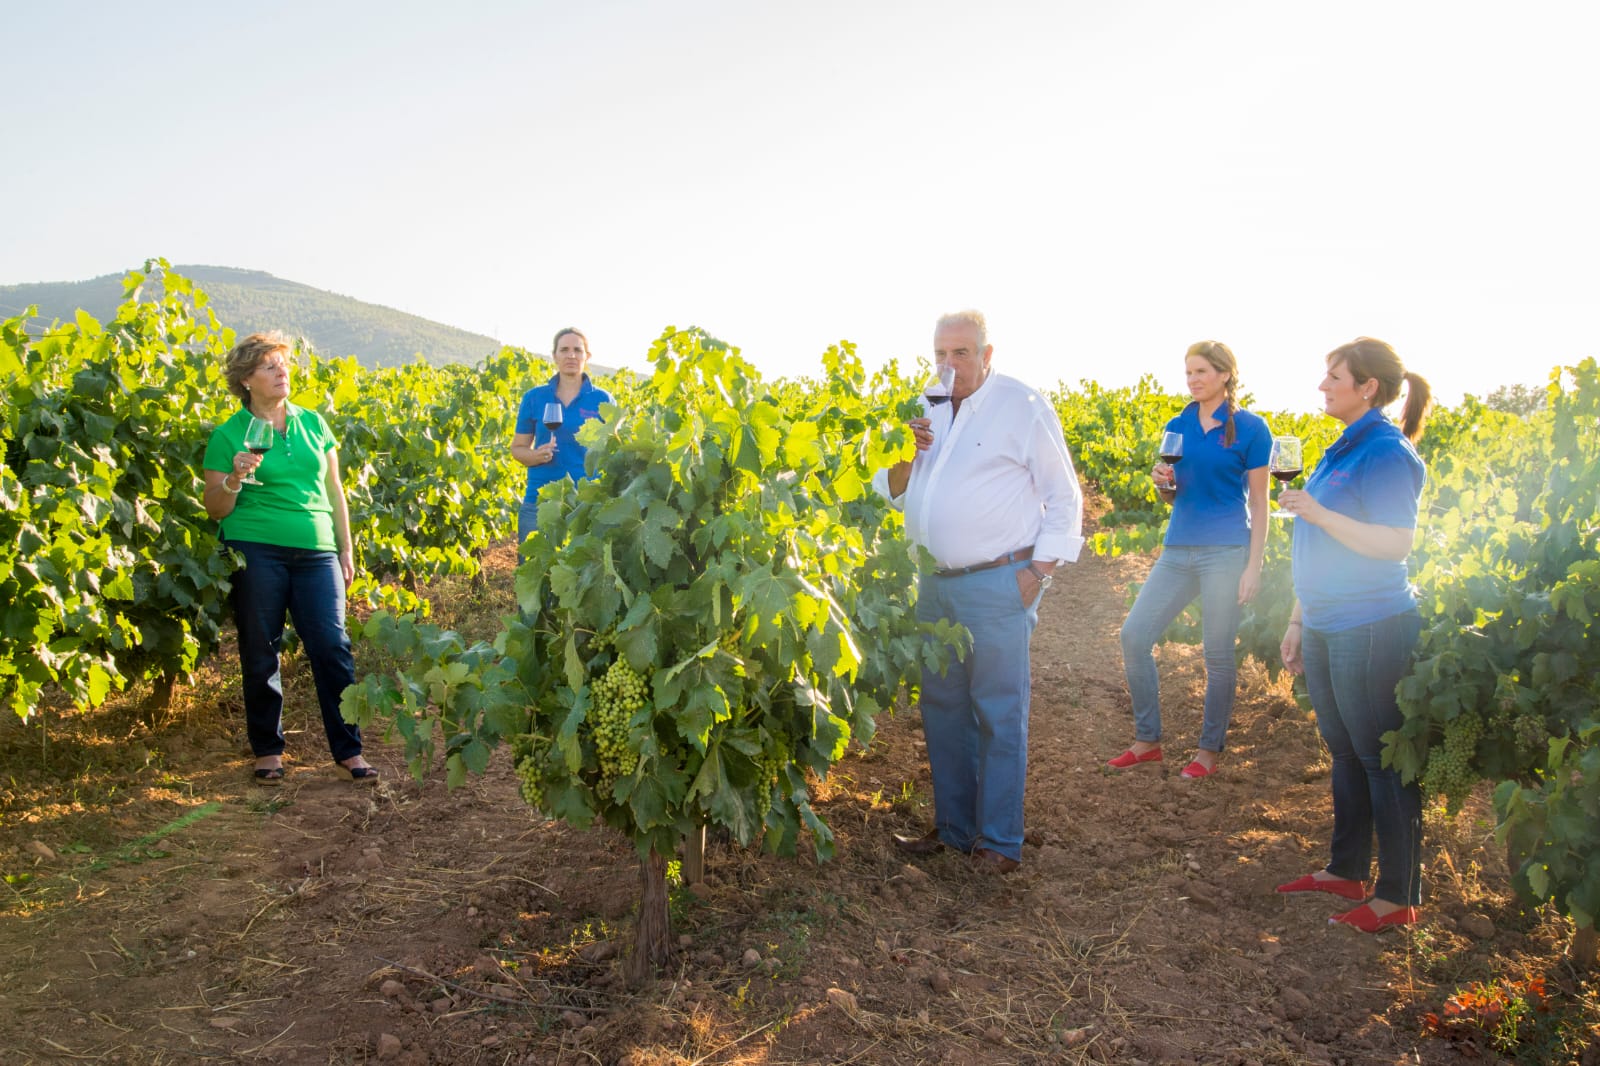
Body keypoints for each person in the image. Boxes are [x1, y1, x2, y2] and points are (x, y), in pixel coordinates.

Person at [872, 310, 1084, 875]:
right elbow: (890, 492)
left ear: (988, 355)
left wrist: (1037, 573)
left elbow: (1064, 496)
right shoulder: (928, 409)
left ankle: (999, 844)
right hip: (934, 584)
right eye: (940, 352)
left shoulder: (1022, 406)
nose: (948, 364)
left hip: (998, 581)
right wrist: (906, 453)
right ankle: (954, 831)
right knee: (942, 710)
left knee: (998, 711)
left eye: (962, 353)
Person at [1275, 337, 1433, 932]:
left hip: (1369, 622)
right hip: (1322, 620)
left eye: (1333, 377)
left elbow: (1396, 543)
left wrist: (1317, 512)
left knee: (1379, 757)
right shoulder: (1341, 448)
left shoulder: (1389, 454)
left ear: (1367, 387)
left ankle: (1398, 896)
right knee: (1344, 750)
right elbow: (1315, 545)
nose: (1322, 386)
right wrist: (1297, 618)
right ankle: (1346, 870)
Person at [202, 332, 376, 785]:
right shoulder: (227, 435)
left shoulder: (314, 423)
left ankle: (348, 750)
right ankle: (268, 750)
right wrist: (236, 477)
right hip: (255, 546)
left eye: (284, 364)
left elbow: (334, 490)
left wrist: (346, 546)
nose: (282, 372)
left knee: (332, 646)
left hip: (316, 547)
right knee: (260, 649)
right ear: (246, 380)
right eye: (269, 366)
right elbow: (216, 508)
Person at [1109, 342, 1270, 778]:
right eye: (1188, 373)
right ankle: (1147, 741)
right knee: (1134, 636)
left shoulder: (1251, 429)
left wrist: (1253, 566)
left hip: (1226, 551)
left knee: (1217, 654)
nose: (1193, 379)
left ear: (1224, 375)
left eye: (1201, 371)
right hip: (1178, 547)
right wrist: (1162, 483)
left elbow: (1260, 503)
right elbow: (1171, 495)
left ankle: (1208, 752)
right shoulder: (1177, 425)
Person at [512, 328, 613, 544]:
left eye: (578, 350)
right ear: (555, 356)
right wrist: (536, 456)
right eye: (564, 350)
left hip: (587, 503)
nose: (571, 355)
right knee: (535, 571)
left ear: (587, 356)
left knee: (582, 574)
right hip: (540, 501)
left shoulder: (602, 399)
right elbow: (518, 448)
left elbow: (613, 450)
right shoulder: (534, 397)